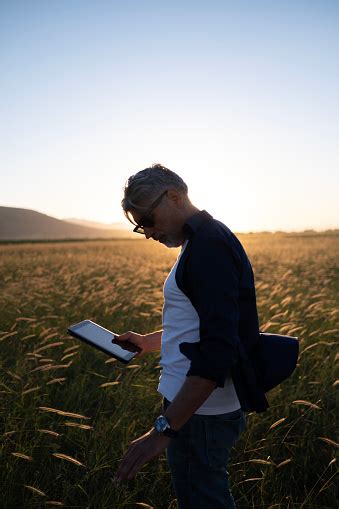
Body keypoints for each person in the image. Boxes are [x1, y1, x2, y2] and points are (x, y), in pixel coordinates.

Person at [114, 164, 268, 508]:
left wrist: (162, 431)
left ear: (174, 196)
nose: (148, 233)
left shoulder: (208, 247)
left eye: (148, 221)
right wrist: (148, 341)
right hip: (194, 407)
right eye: (140, 227)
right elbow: (207, 325)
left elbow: (218, 349)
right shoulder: (199, 241)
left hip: (200, 412)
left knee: (203, 500)